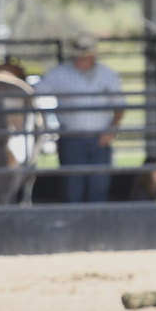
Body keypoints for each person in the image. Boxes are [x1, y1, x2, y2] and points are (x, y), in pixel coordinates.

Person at [33, 33, 125, 203]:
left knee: (99, 186)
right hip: (72, 138)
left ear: (92, 55)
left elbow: (120, 107)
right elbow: (35, 92)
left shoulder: (107, 75)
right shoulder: (59, 74)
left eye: (83, 56)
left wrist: (111, 130)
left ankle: (95, 223)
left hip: (100, 139)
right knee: (72, 187)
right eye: (76, 56)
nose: (78, 60)